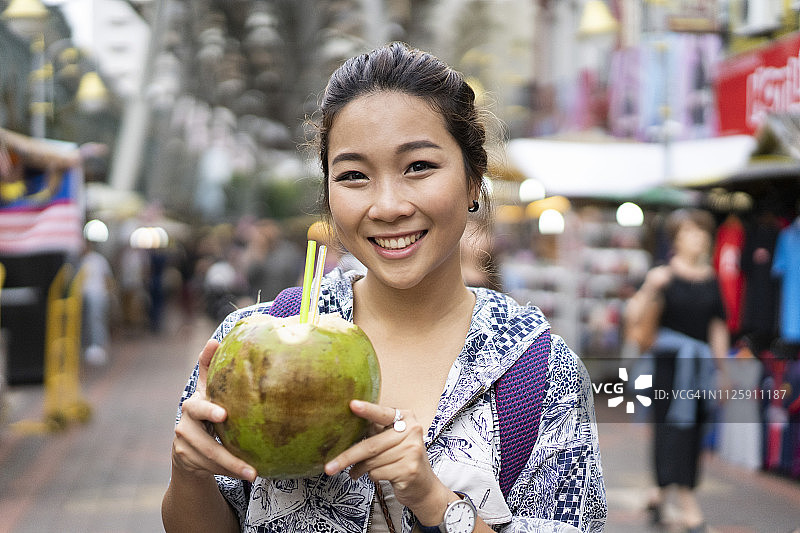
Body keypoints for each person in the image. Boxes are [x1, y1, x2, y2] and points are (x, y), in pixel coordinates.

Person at [162, 42, 606, 533]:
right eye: (354, 175)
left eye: (418, 167)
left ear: (473, 179)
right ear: (329, 192)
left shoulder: (540, 373)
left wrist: (436, 501)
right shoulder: (247, 344)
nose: (388, 206)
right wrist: (190, 472)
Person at [625, 208, 729, 533]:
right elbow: (633, 316)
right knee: (671, 433)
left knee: (693, 432)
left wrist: (722, 370)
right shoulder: (662, 275)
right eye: (689, 232)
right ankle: (689, 507)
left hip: (699, 369)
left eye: (702, 232)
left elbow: (717, 327)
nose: (698, 238)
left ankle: (658, 495)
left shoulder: (711, 279)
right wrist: (649, 287)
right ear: (676, 240)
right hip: (668, 368)